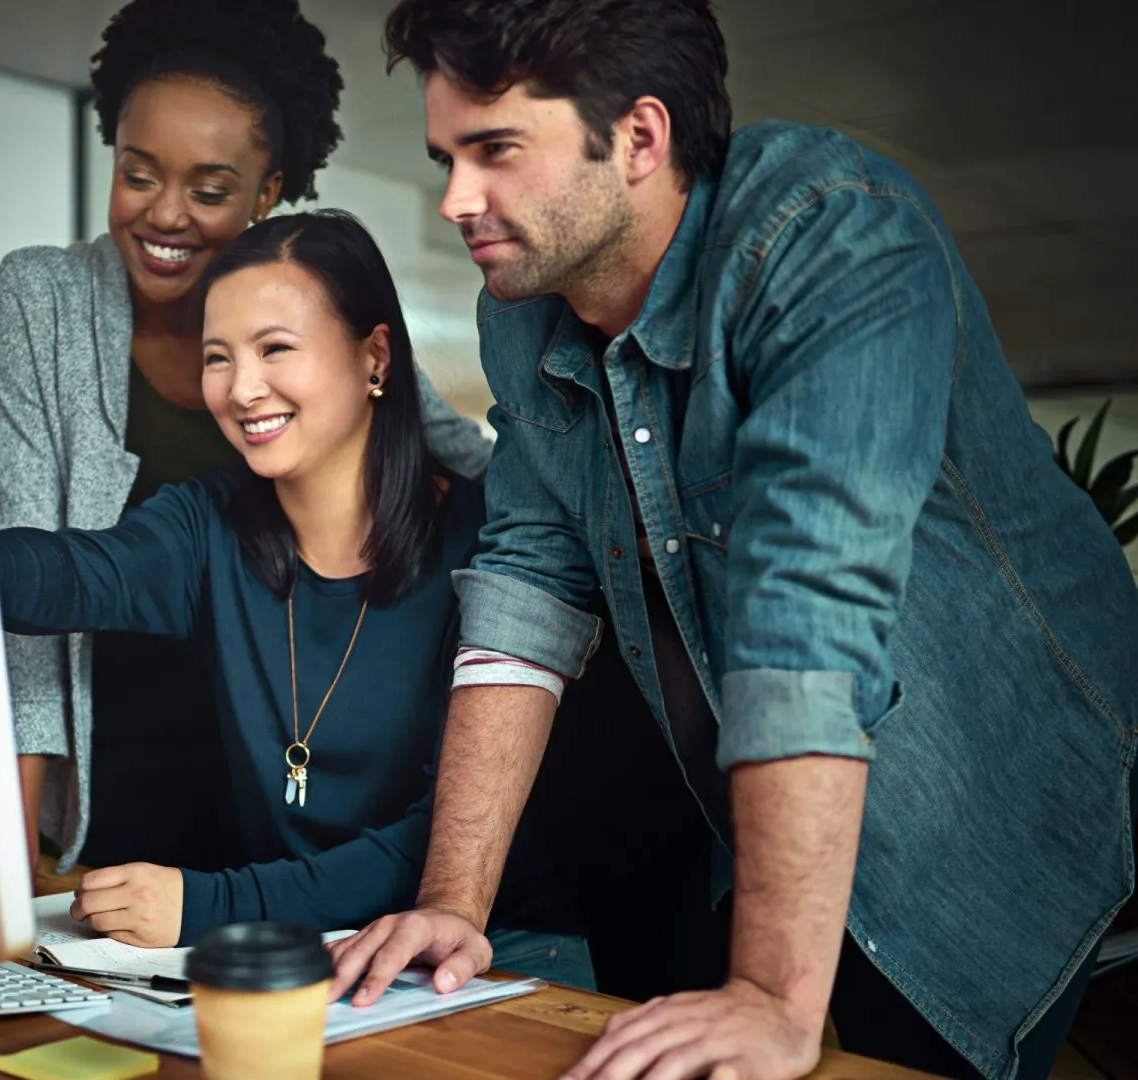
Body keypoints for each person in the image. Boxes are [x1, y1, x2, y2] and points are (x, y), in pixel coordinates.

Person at [327, 3, 1138, 1080]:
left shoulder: (830, 230)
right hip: (782, 816)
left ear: (641, 138)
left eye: (496, 153)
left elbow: (809, 607)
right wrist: (451, 905)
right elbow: (528, 577)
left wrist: (767, 994)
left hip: (999, 802)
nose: (454, 201)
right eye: (447, 157)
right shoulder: (520, 314)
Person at [0, 210, 587, 985]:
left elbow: (437, 840)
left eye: (275, 349)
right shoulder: (205, 525)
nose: (241, 389)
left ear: (375, 357)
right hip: (308, 955)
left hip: (494, 958)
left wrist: (208, 906)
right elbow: (59, 576)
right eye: (217, 357)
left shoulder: (491, 545)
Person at [0, 0, 491, 883]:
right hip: (127, 754)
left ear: (267, 191)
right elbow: (39, 583)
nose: (166, 215)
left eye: (210, 190)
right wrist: (12, 869)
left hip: (275, 787)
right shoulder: (56, 309)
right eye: (139, 175)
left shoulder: (456, 525)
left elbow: (430, 433)